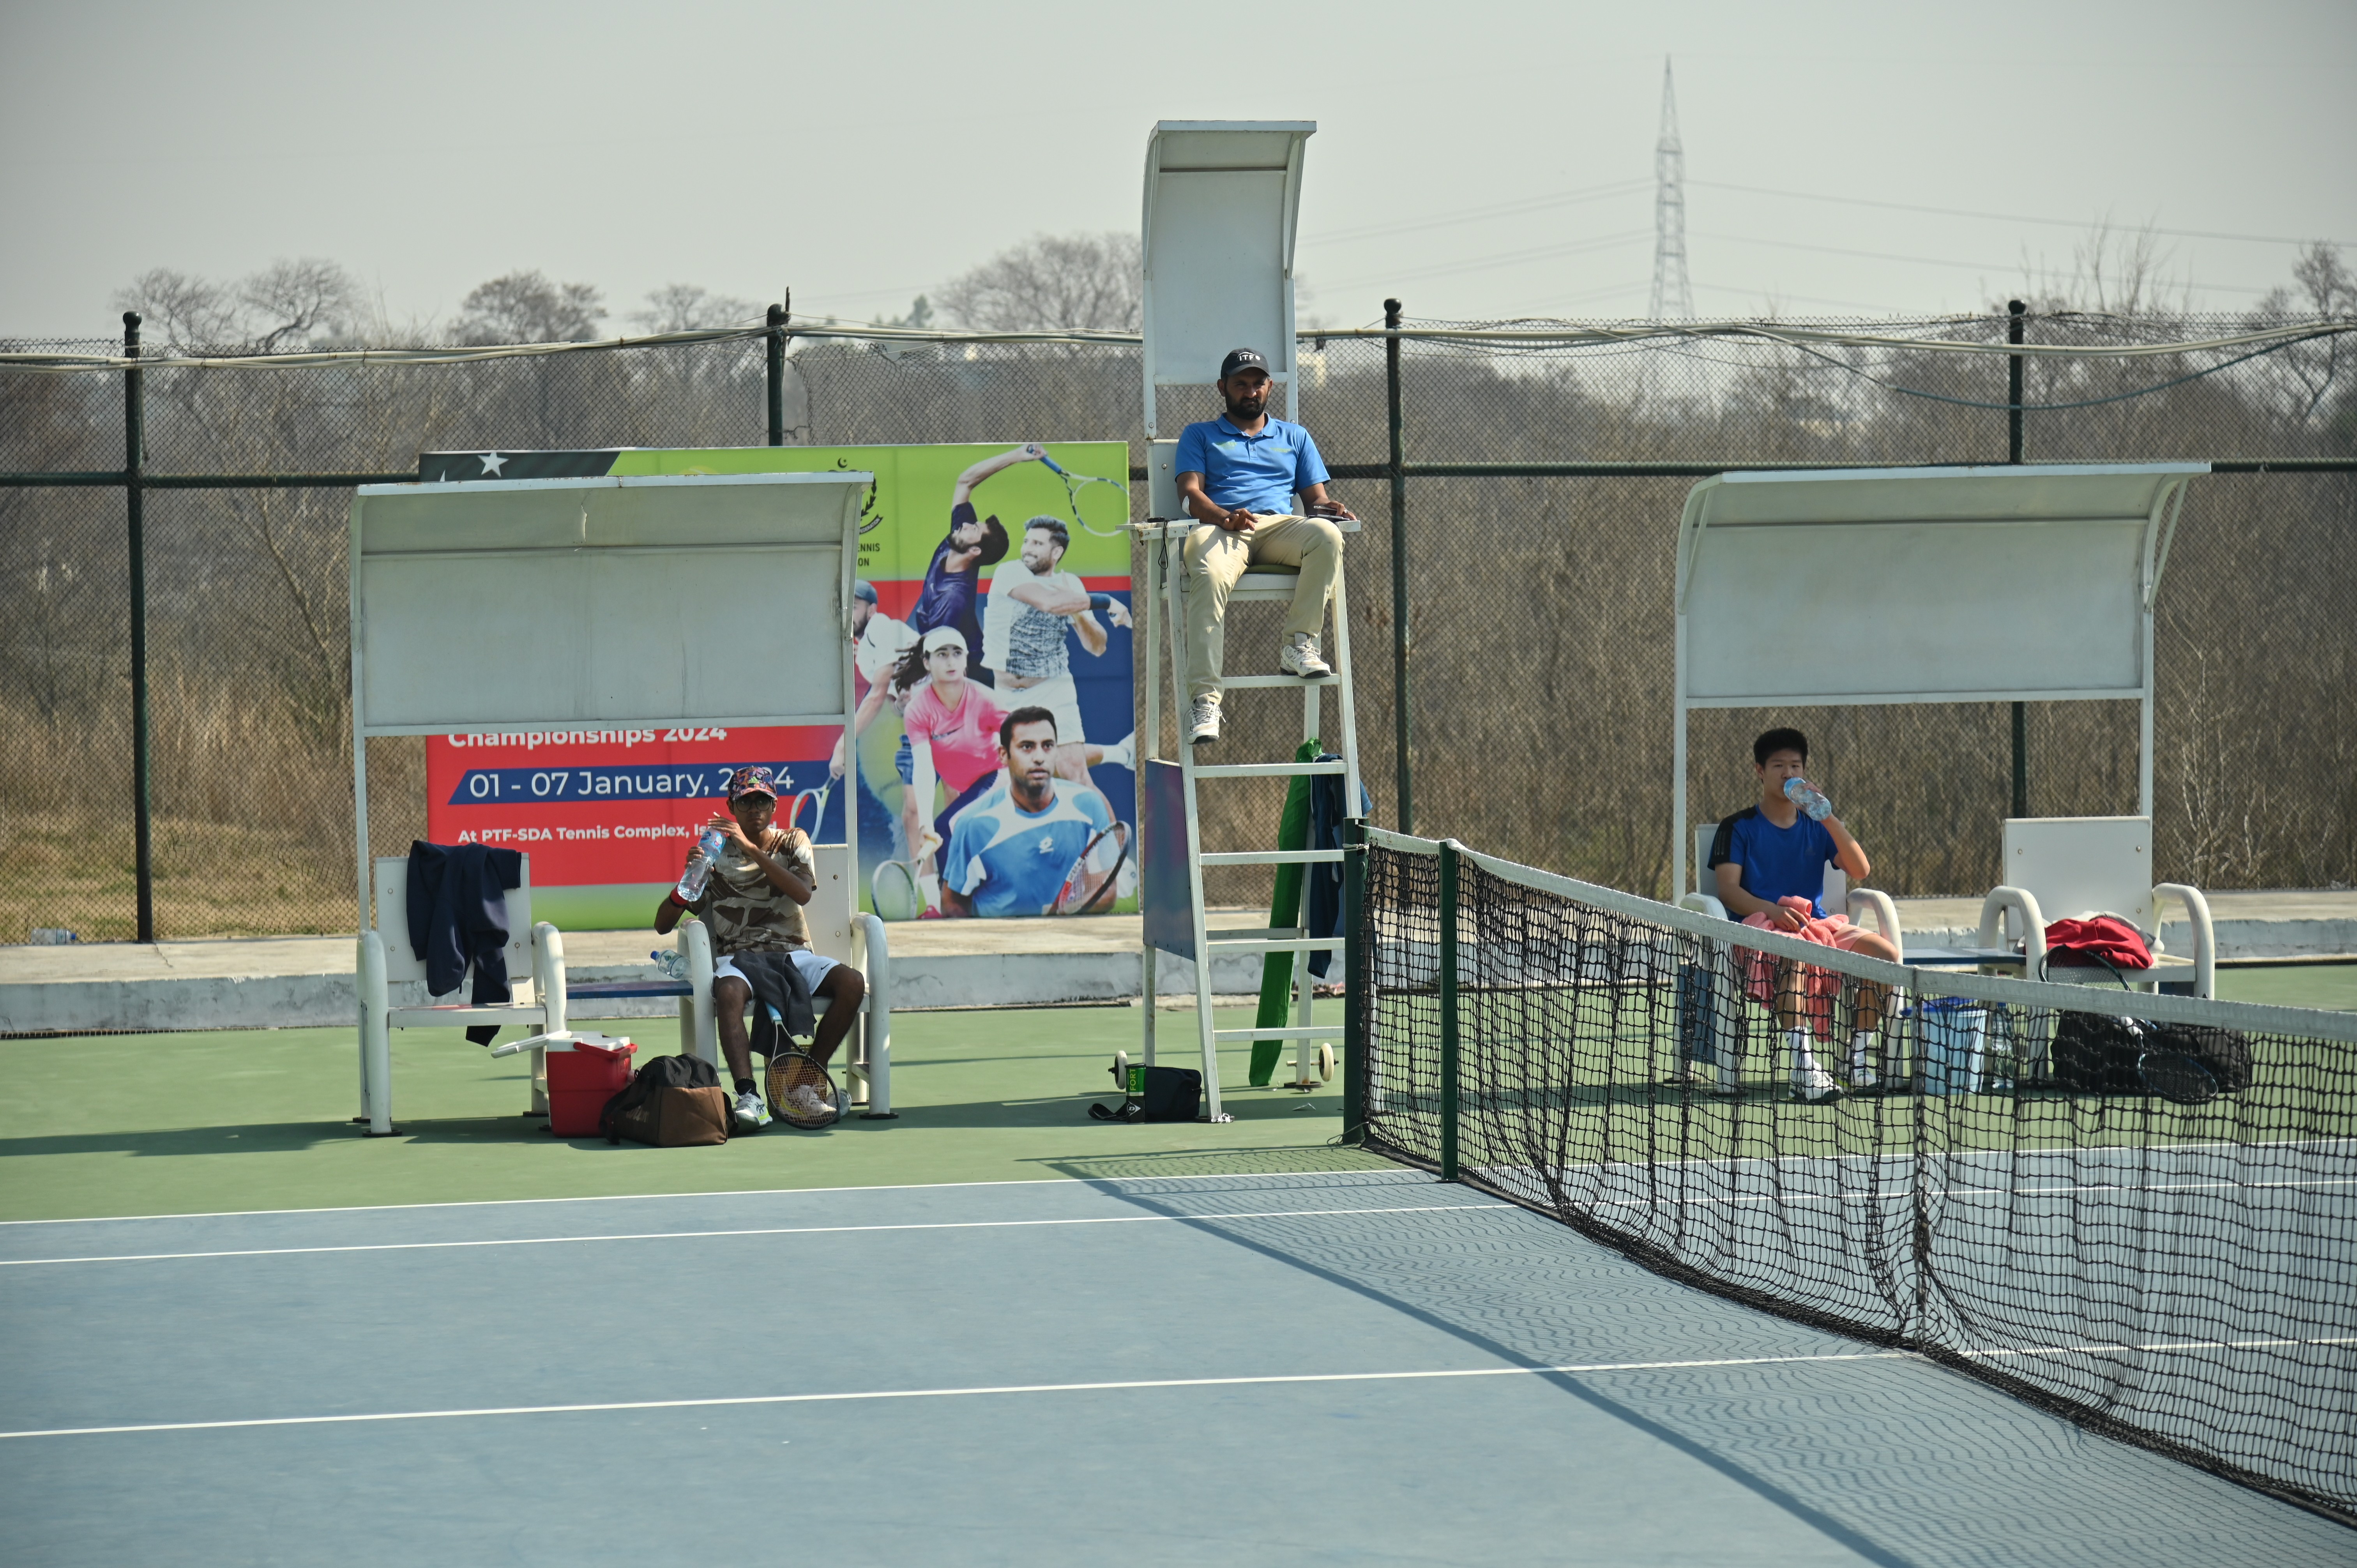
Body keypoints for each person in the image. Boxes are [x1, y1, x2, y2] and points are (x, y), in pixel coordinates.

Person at [653, 765, 866, 1129]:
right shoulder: (714, 853)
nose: (755, 809)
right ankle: (749, 1094)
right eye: (746, 801)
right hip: (738, 957)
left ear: (774, 807)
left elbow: (801, 893)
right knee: (729, 992)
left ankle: (805, 1079)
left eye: (762, 801)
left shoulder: (792, 841)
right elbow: (663, 925)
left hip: (793, 954)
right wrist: (689, 880)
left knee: (853, 983)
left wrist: (751, 848)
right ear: (731, 807)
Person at [1171, 347, 1355, 745]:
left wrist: (1329, 508)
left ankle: (1299, 644)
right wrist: (1223, 517)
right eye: (1241, 384)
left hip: (1277, 527)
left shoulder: (1295, 436)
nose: (1250, 391)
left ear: (1270, 386)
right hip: (1222, 527)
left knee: (1327, 535)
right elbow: (1189, 496)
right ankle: (1205, 700)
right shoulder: (1199, 435)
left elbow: (1315, 502)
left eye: (1258, 383)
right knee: (1210, 574)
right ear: (1223, 388)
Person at [1706, 728, 1896, 1102]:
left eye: (1795, 765)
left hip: (1819, 926)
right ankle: (1804, 1068)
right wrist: (1774, 911)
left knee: (1887, 958)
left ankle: (1855, 1061)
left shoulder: (1817, 826)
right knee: (1795, 959)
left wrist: (1826, 815)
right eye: (1778, 765)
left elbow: (1860, 869)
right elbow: (1728, 891)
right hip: (1759, 930)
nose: (1787, 772)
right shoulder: (1738, 827)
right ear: (1760, 771)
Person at [981, 514, 1136, 799]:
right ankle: (1119, 753)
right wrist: (1108, 601)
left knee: (1075, 774)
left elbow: (1098, 647)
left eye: (1037, 544)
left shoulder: (1071, 585)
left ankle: (1111, 843)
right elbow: (1049, 603)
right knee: (1008, 779)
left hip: (1054, 688)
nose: (1027, 548)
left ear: (1056, 552)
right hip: (1006, 695)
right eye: (1026, 541)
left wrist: (1078, 611)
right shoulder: (1009, 572)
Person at [940, 707, 1113, 918]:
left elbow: (1108, 891)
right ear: (1004, 755)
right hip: (1001, 947)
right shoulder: (973, 824)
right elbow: (953, 904)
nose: (1039, 757)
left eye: (1048, 746)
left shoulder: (1089, 805)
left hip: (1068, 944)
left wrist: (1060, 915)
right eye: (1027, 747)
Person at [894, 626, 1011, 916]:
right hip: (965, 786)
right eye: (942, 654)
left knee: (950, 826)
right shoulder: (918, 710)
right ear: (927, 662)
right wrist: (924, 825)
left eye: (957, 654)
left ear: (966, 660)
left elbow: (1017, 742)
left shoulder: (986, 699)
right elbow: (923, 766)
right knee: (940, 830)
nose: (950, 661)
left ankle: (952, 905)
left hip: (996, 777)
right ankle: (939, 906)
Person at [908, 446, 1029, 665]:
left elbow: (942, 658)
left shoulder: (952, 599)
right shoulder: (957, 541)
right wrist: (1016, 456)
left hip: (966, 670)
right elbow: (966, 482)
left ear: (975, 551)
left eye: (973, 529)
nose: (964, 525)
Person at [832, 580, 919, 856]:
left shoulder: (884, 629)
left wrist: (843, 745)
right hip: (927, 724)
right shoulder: (867, 649)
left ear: (872, 611)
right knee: (912, 810)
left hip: (947, 722)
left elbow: (876, 697)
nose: (849, 615)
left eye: (855, 607)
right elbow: (894, 697)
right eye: (845, 608)